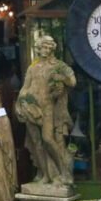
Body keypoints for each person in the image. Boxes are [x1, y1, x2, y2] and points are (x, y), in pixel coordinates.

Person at [15, 34, 77, 187]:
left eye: (50, 47)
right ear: (39, 47)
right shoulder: (32, 67)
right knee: (37, 142)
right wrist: (20, 103)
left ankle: (64, 172)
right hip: (31, 107)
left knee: (48, 139)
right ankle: (45, 175)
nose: (47, 50)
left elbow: (73, 82)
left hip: (47, 107)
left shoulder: (59, 66)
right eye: (44, 46)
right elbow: (25, 87)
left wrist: (61, 78)